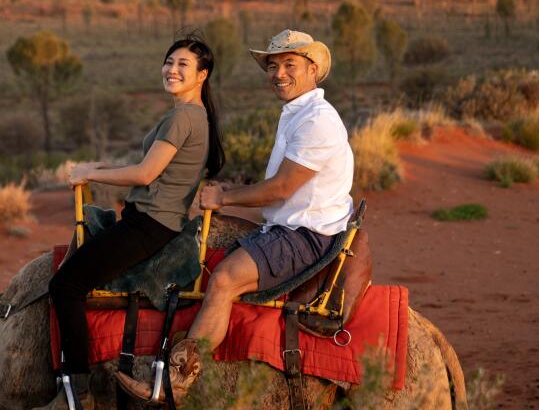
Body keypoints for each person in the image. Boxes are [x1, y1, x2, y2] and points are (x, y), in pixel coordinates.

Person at [116, 29, 354, 404]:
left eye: (289, 65)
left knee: (224, 278)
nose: (278, 74)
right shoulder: (298, 112)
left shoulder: (316, 122)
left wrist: (224, 197)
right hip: (287, 225)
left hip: (304, 235)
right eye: (273, 66)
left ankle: (177, 382)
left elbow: (280, 188)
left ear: (313, 69)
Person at [35, 37, 225, 410]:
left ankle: (77, 393)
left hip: (149, 224)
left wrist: (95, 174)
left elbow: (145, 174)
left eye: (183, 65)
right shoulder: (193, 115)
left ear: (202, 75)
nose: (172, 69)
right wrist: (95, 169)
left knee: (66, 285)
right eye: (169, 61)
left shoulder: (183, 116)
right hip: (154, 220)